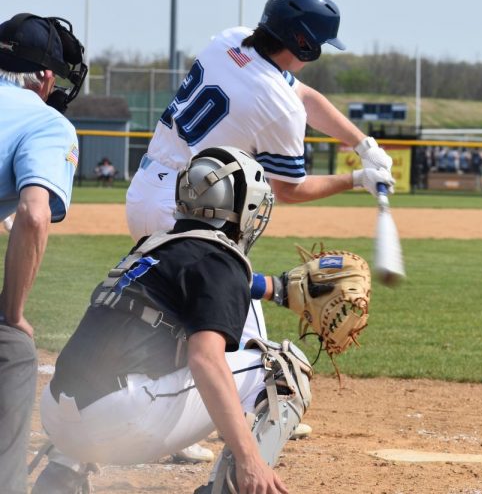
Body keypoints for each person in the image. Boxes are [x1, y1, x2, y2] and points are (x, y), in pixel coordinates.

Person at [125, 0, 394, 461]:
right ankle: (257, 416)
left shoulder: (229, 40)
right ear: (305, 44)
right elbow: (289, 189)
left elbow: (303, 95)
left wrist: (361, 143)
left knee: (180, 318)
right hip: (190, 208)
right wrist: (354, 182)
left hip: (150, 190)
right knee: (233, 329)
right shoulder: (277, 105)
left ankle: (179, 431)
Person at [33, 147, 312, 493]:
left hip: (57, 416)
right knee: (283, 366)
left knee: (122, 353)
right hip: (118, 421)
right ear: (242, 206)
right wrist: (249, 457)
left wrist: (275, 288)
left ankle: (61, 476)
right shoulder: (220, 258)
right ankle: (231, 487)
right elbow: (206, 360)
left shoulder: (149, 249)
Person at [0, 13, 87, 494]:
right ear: (47, 78)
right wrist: (13, 313)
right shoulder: (46, 121)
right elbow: (34, 216)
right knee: (12, 349)